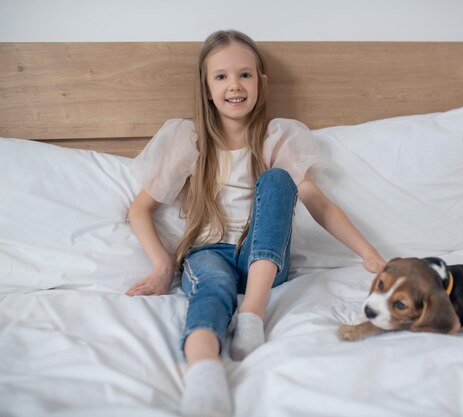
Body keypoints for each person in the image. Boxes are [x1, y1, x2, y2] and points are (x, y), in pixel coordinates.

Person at [126, 29, 385, 417]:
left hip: (261, 261)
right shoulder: (190, 140)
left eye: (245, 75)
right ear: (206, 87)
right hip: (208, 252)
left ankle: (253, 313)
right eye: (221, 76)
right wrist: (163, 266)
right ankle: (204, 374)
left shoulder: (277, 137)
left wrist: (370, 255)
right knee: (211, 289)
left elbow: (320, 204)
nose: (235, 85)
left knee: (279, 179)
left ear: (261, 84)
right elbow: (139, 209)